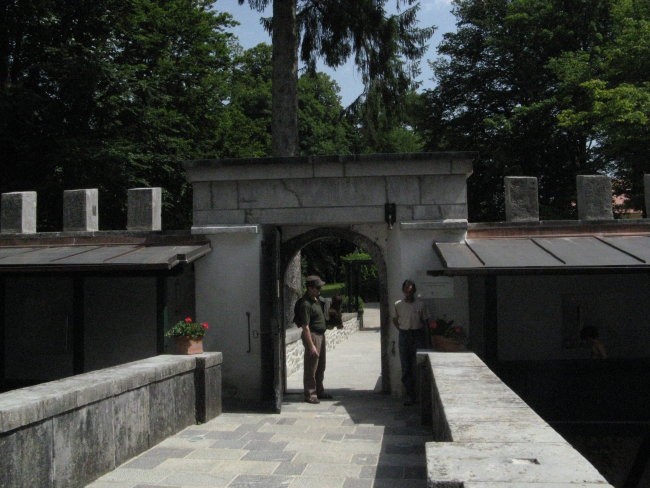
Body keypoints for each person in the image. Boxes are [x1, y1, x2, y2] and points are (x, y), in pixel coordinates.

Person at [294, 275, 333, 404]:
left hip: (321, 335)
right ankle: (310, 393)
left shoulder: (316, 300)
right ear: (310, 288)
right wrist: (311, 346)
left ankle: (319, 390)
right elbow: (305, 327)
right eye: (317, 287)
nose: (319, 289)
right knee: (311, 366)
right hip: (313, 336)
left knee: (321, 365)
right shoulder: (306, 304)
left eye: (320, 287)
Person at [392, 279, 429, 406]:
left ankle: (422, 395)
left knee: (421, 364)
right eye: (407, 289)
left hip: (418, 334)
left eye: (411, 289)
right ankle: (410, 395)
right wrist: (402, 329)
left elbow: (425, 322)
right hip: (404, 335)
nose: (409, 291)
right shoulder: (398, 304)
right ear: (403, 290)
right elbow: (395, 319)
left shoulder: (420, 304)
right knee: (406, 366)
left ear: (414, 290)